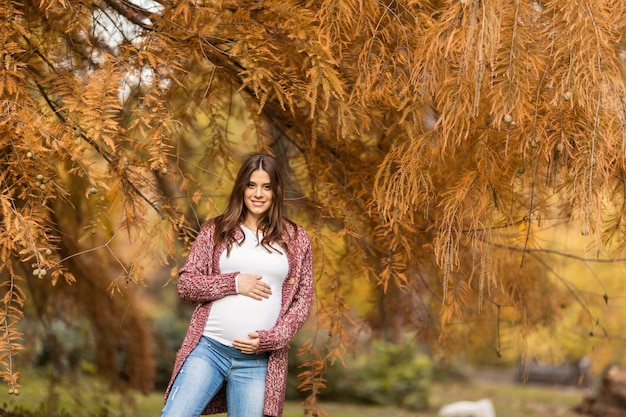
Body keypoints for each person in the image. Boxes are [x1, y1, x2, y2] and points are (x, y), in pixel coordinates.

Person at [161, 153, 314, 417]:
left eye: (267, 187)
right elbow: (186, 285)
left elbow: (303, 299)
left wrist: (272, 339)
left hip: (257, 363)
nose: (258, 194)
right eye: (251, 185)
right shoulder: (216, 230)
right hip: (208, 350)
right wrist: (234, 283)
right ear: (241, 187)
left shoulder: (296, 238)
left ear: (277, 191)